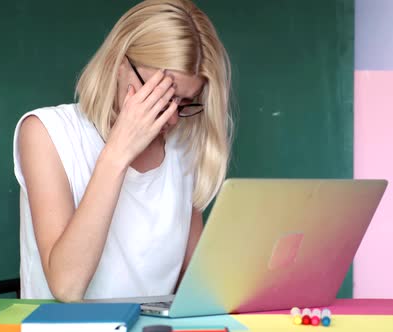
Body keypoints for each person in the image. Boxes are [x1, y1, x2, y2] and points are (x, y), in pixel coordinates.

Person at [12, 0, 232, 302]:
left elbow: (195, 285)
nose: (170, 118)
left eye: (183, 102)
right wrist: (117, 153)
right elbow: (67, 287)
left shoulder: (182, 148)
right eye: (158, 95)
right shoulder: (46, 132)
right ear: (119, 63)